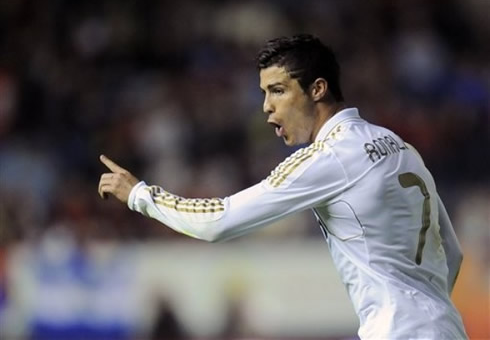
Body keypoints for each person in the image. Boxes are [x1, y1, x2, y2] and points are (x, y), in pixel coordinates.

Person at [98, 34, 467, 339]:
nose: (266, 107)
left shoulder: (330, 157)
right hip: (447, 328)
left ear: (317, 89)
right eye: (263, 93)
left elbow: (219, 220)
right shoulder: (400, 146)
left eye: (277, 91)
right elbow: (451, 253)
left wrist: (139, 195)